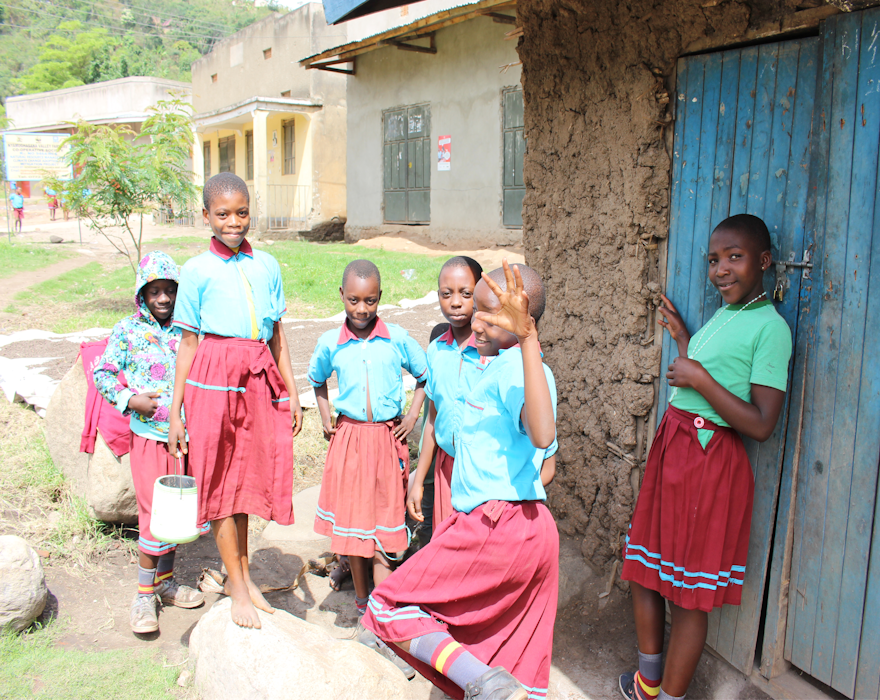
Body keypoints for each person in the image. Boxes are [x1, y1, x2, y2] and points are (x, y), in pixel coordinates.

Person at [364, 260, 558, 700]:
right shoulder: (486, 365)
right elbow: (439, 411)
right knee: (510, 668)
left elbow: (543, 436)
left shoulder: (523, 371)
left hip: (498, 524)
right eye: (480, 310)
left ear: (525, 323)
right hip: (526, 531)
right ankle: (487, 681)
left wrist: (527, 341)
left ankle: (483, 682)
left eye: (494, 315)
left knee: (388, 604)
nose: (479, 321)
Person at [618, 214, 792, 700]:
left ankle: (669, 697)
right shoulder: (726, 313)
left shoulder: (771, 329)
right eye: (714, 260)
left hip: (710, 462)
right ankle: (648, 683)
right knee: (643, 568)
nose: (721, 269)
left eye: (734, 258)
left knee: (690, 597)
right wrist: (683, 341)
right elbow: (713, 371)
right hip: (674, 450)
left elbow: (760, 423)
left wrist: (697, 377)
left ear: (763, 261)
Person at [167, 172, 304, 630]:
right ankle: (239, 588)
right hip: (212, 379)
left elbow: (278, 336)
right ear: (206, 216)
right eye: (222, 214)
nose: (233, 222)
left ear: (251, 212)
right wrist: (175, 414)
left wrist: (292, 391)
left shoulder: (266, 264)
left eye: (241, 212)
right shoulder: (196, 270)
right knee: (220, 482)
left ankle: (239, 576)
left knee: (247, 481)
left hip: (258, 377)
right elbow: (188, 344)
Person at [308, 258, 428, 621]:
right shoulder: (331, 343)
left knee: (386, 524)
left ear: (381, 298)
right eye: (354, 300)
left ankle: (381, 605)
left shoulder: (397, 339)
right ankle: (362, 602)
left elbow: (424, 377)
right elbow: (317, 380)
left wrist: (412, 415)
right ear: (342, 295)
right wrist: (326, 417)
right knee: (355, 530)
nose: (362, 309)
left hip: (386, 441)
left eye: (371, 301)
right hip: (350, 441)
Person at [93, 251, 206, 635]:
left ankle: (167, 582)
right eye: (154, 291)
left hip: (185, 440)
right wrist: (129, 400)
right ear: (142, 294)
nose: (162, 298)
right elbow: (103, 372)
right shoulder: (127, 330)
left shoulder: (189, 330)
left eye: (169, 290)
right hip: (149, 439)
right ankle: (143, 595)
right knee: (153, 515)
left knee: (176, 513)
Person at [408, 257, 486, 535]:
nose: (455, 302)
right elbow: (433, 419)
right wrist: (418, 481)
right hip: (445, 472)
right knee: (447, 546)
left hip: (482, 473)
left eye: (466, 294)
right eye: (446, 294)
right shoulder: (437, 350)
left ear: (480, 294)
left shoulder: (492, 353)